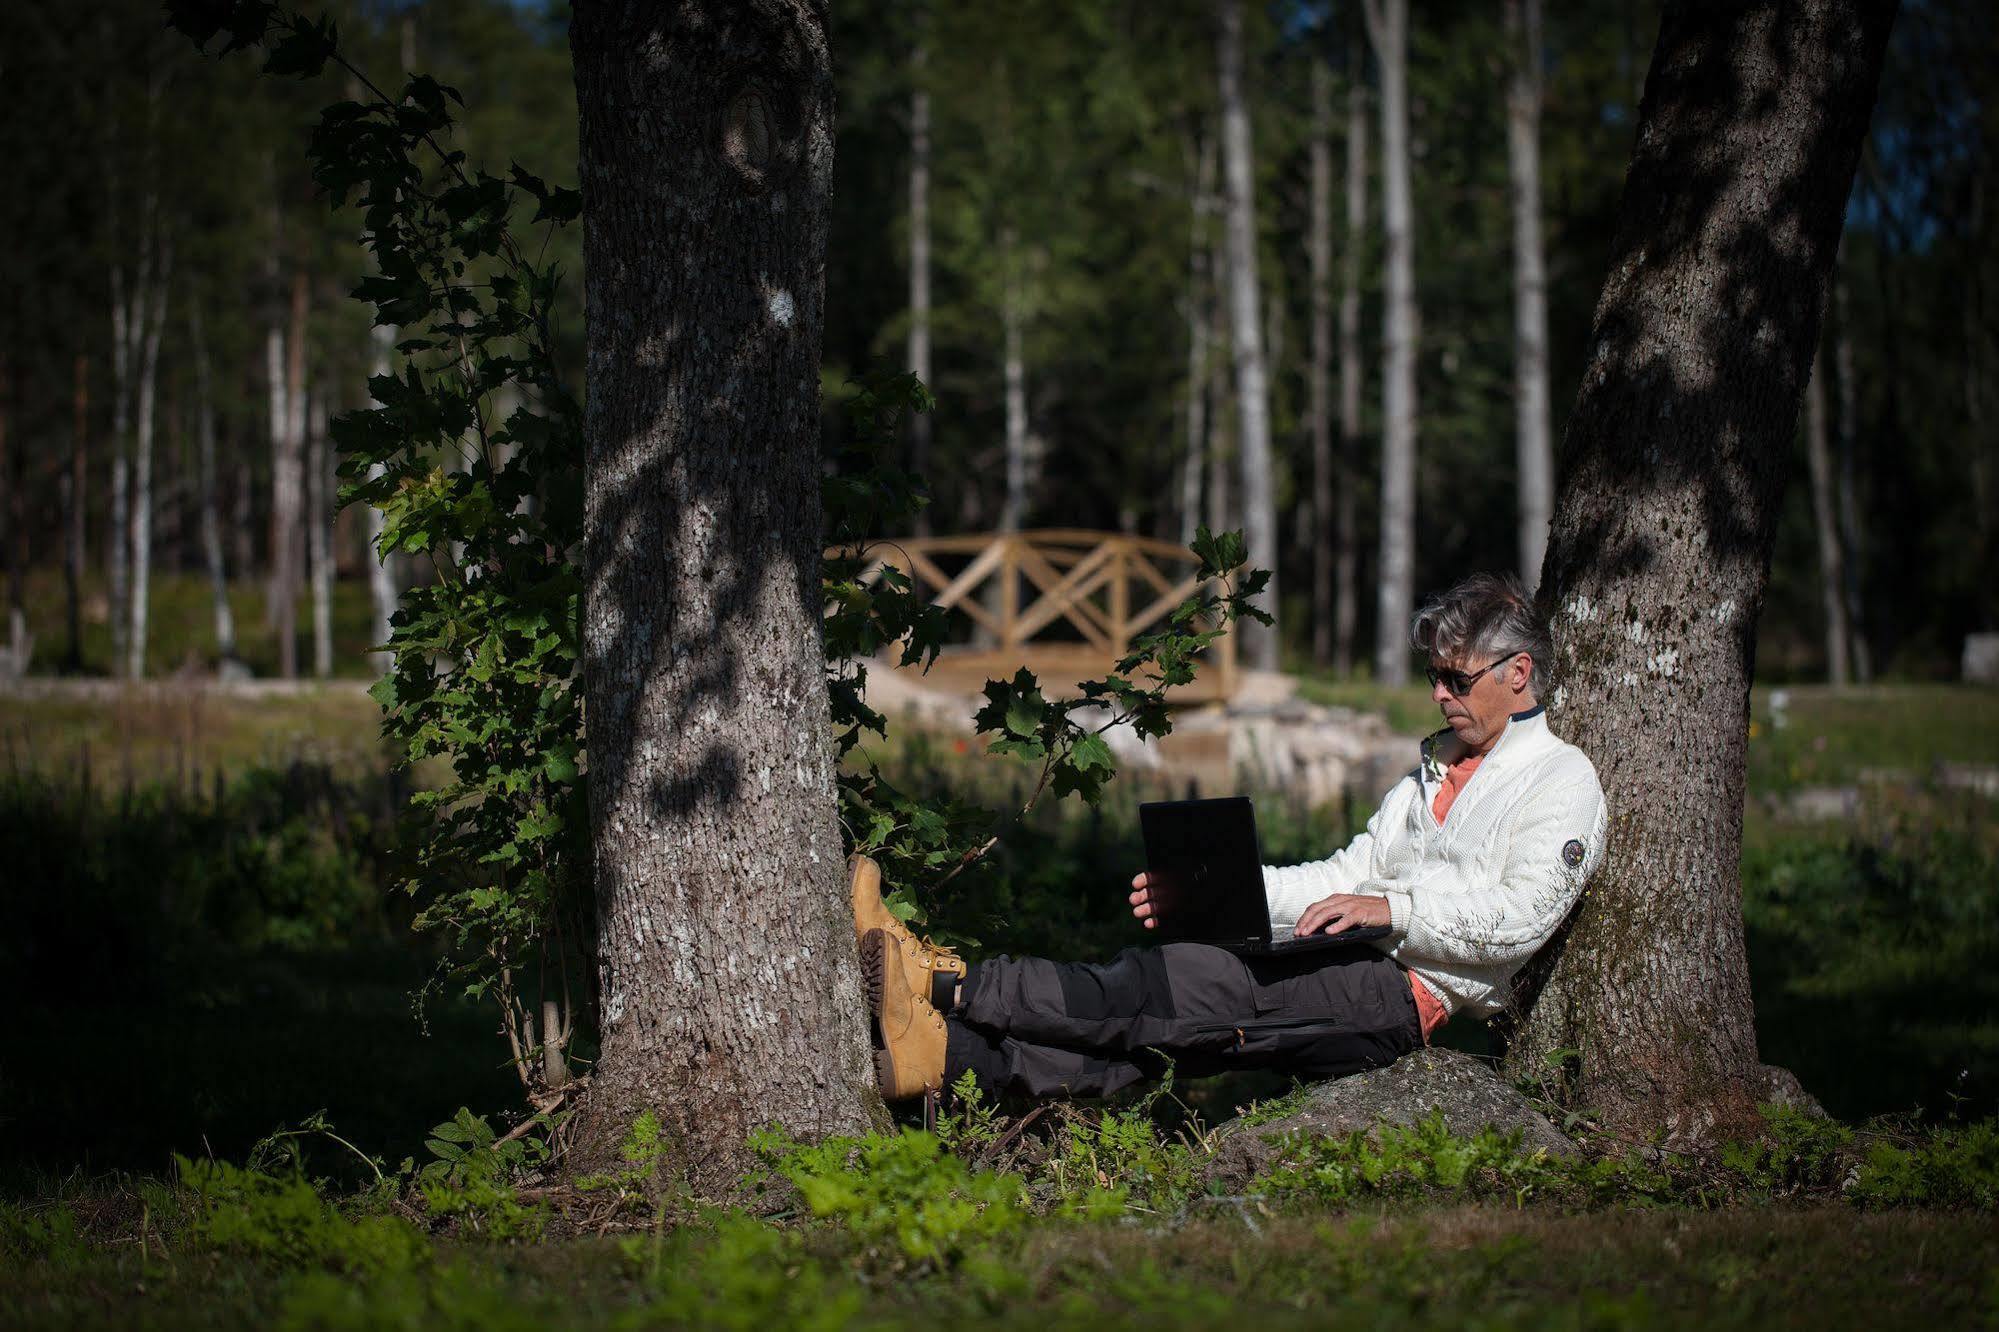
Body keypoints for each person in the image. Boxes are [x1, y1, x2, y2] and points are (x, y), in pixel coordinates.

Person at [850, 571, 1607, 1103]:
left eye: (1456, 678)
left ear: (1518, 673)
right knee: (1149, 1044)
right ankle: (945, 1060)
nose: (1440, 695)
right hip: (1344, 959)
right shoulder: (1431, 770)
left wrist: (1392, 911)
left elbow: (1522, 918)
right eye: (1433, 678)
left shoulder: (1560, 782)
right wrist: (1217, 892)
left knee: (1175, 985)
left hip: (1399, 995)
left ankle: (942, 984)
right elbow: (1341, 877)